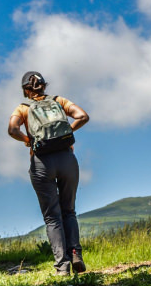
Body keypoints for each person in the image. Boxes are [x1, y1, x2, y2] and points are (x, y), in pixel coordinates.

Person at [8, 71, 90, 275]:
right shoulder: (59, 101)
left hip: (41, 162)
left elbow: (12, 129)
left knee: (52, 217)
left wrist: (29, 141)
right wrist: (68, 132)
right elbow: (83, 116)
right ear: (44, 86)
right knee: (68, 210)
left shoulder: (23, 108)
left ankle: (62, 266)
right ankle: (76, 254)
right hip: (66, 158)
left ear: (26, 90)